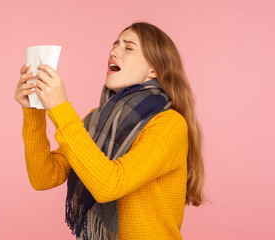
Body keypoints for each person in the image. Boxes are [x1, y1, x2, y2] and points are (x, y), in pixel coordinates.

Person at [15, 22, 206, 240]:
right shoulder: (95, 120)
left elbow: (109, 185)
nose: (113, 51)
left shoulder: (169, 124)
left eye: (129, 47)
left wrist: (60, 108)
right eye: (115, 45)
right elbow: (44, 177)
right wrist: (34, 111)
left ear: (153, 69)